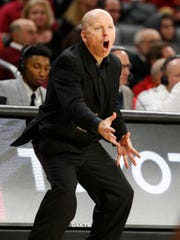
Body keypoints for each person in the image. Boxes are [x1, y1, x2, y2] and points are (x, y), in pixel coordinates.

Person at [11, 9, 141, 240]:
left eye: (109, 27)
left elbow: (111, 105)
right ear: (84, 36)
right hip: (56, 139)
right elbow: (74, 105)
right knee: (64, 196)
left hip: (85, 141)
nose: (106, 33)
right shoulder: (68, 62)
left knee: (119, 194)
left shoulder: (113, 64)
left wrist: (121, 134)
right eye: (98, 28)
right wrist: (96, 123)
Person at [111, 45, 134, 109]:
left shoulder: (127, 93)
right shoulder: (93, 92)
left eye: (128, 66)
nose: (127, 73)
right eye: (122, 67)